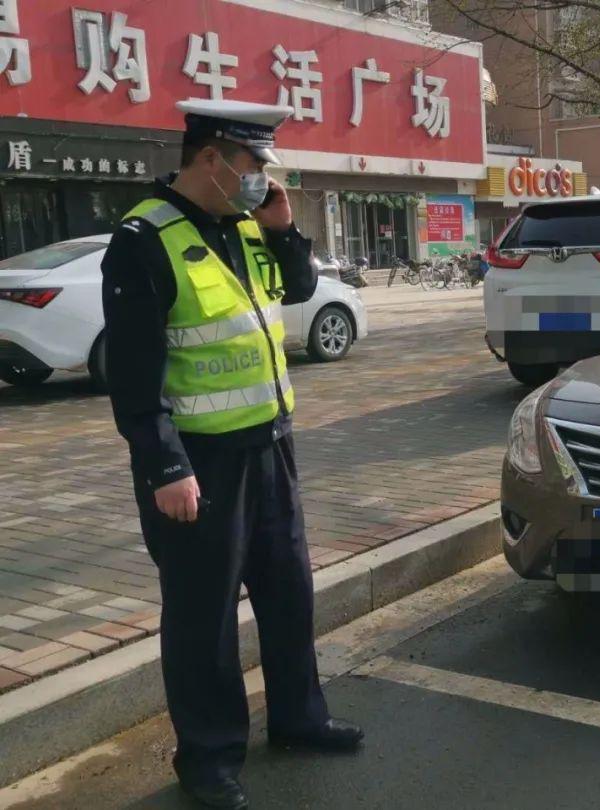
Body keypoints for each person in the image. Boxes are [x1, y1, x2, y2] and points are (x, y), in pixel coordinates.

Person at [101, 99, 362, 810]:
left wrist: (284, 232)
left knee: (287, 592)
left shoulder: (246, 227)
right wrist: (164, 466)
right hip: (199, 463)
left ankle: (299, 720)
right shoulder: (143, 240)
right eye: (252, 166)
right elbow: (133, 372)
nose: (260, 180)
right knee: (203, 614)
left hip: (270, 447)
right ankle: (209, 757)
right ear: (211, 157)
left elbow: (300, 292)